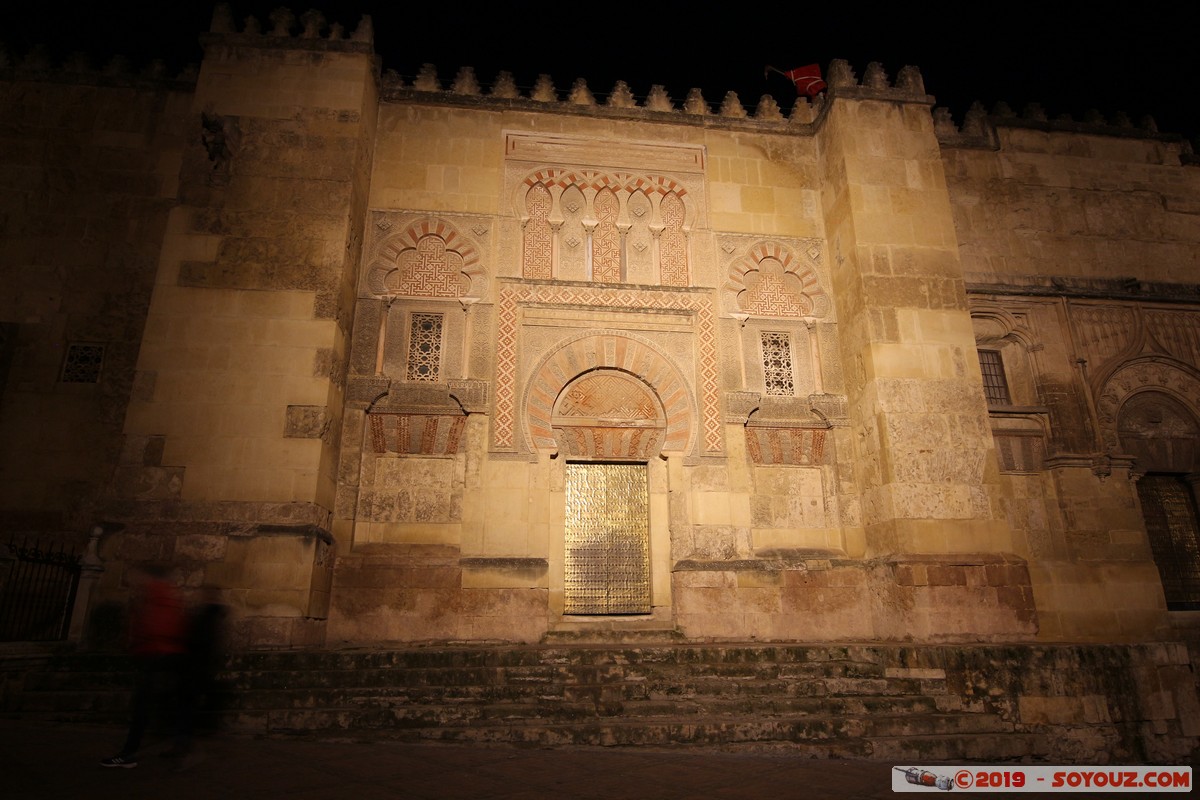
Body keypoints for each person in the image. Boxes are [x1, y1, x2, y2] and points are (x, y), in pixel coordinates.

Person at [99, 565, 186, 768]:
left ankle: (128, 753)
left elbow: (157, 628)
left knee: (143, 708)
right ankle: (181, 745)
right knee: (166, 705)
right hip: (166, 657)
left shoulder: (155, 596)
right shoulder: (168, 595)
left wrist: (140, 643)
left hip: (157, 657)